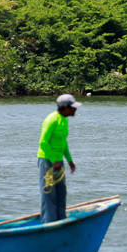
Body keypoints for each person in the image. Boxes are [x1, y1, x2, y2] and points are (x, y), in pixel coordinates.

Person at [37, 93, 81, 223]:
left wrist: (70, 160)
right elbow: (43, 142)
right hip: (47, 160)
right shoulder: (52, 119)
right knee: (49, 194)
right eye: (73, 107)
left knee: (61, 192)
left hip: (58, 162)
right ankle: (48, 223)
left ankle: (61, 221)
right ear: (66, 107)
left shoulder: (64, 120)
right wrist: (53, 160)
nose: (75, 109)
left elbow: (63, 142)